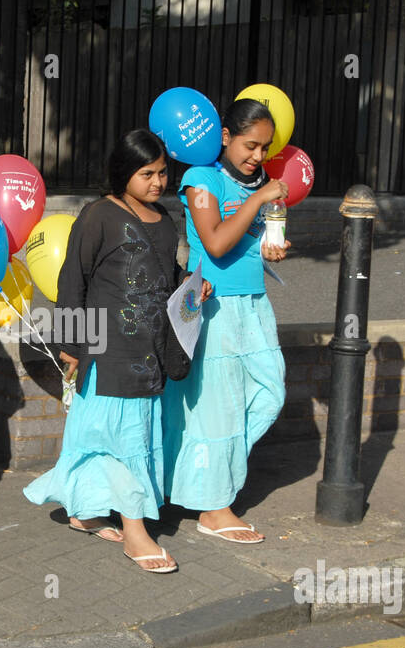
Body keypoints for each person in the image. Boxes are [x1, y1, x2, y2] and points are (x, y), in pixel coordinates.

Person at [24, 129, 210, 573]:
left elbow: (166, 273)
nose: (158, 182)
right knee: (125, 440)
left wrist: (192, 284)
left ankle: (85, 510)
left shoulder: (164, 219)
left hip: (150, 349)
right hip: (107, 351)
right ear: (124, 172)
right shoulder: (99, 216)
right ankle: (135, 532)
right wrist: (71, 345)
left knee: (108, 437)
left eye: (163, 172)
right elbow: (73, 280)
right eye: (147, 173)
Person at [162, 98, 291, 543]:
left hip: (254, 303)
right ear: (225, 137)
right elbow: (215, 244)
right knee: (218, 408)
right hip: (214, 305)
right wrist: (258, 199)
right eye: (250, 145)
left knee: (270, 391)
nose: (257, 156)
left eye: (265, 148)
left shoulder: (258, 184)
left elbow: (250, 243)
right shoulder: (202, 179)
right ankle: (214, 508)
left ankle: (201, 475)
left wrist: (271, 247)